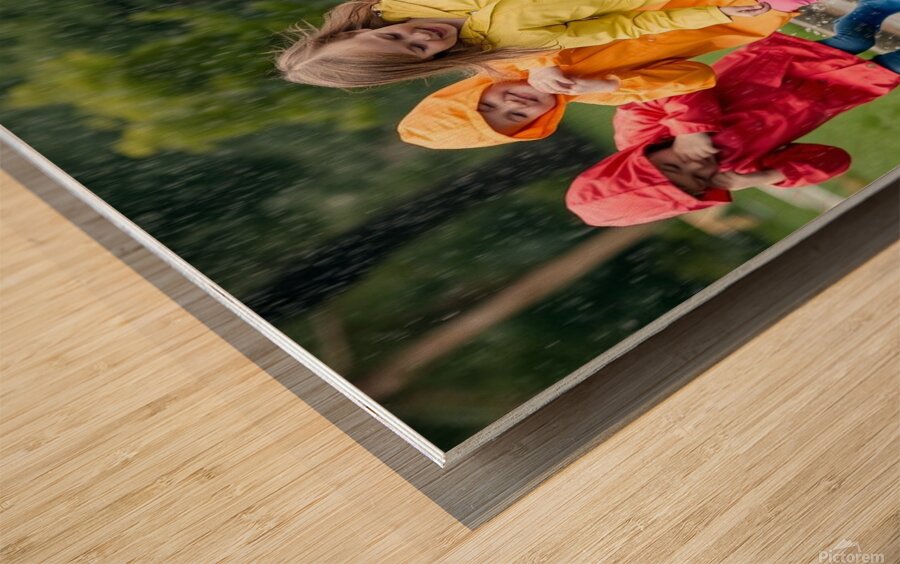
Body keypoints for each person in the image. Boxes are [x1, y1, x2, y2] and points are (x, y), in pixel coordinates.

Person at [564, 5, 900, 227]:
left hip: (775, 69)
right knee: (893, 66)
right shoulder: (740, 169)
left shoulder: (638, 127)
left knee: (852, 38)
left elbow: (678, 83)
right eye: (699, 180)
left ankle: (876, 8)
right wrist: (766, 176)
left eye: (673, 165)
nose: (697, 166)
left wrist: (689, 129)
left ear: (635, 160)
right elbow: (833, 160)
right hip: (828, 94)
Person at [396, 4, 793, 149]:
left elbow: (534, 19)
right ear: (537, 125)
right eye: (515, 117)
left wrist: (542, 63)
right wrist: (609, 85)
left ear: (477, 87)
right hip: (743, 11)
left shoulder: (509, 51)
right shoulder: (601, 95)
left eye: (490, 102)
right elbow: (696, 76)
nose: (513, 103)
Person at [276, 0, 772, 88]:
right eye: (415, 52)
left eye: (395, 35)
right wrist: (717, 12)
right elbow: (621, 27)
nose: (422, 37)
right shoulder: (508, 44)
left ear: (360, 29)